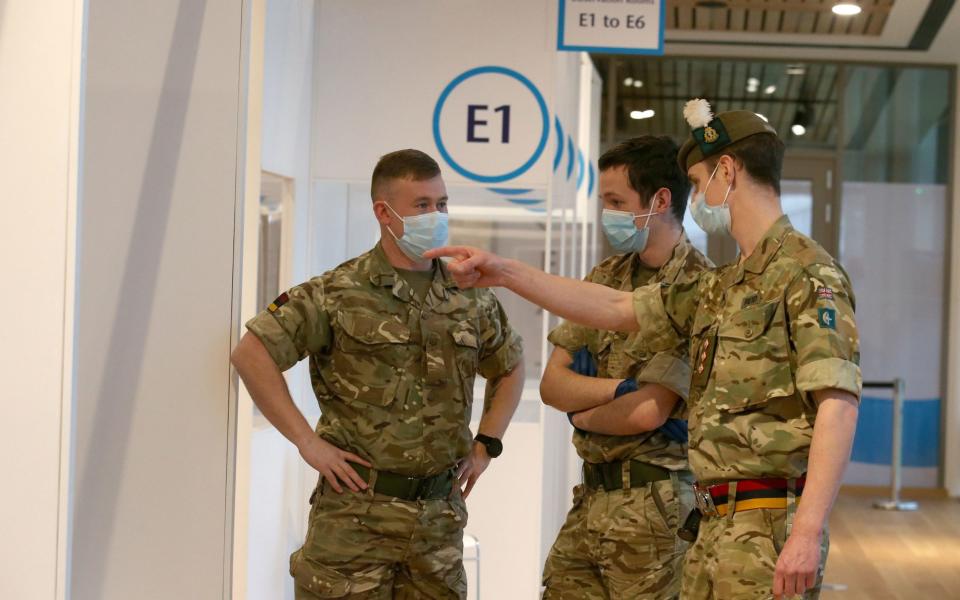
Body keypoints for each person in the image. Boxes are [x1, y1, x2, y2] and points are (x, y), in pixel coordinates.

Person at [426, 102, 860, 600]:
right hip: (712, 521)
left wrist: (806, 531)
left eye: (696, 184)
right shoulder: (722, 287)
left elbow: (837, 406)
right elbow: (613, 306)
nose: (695, 198)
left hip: (768, 524)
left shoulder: (807, 272)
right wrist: (502, 271)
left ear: (727, 170)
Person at [231, 149, 525, 599]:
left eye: (441, 203)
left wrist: (487, 443)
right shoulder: (337, 292)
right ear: (383, 213)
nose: (436, 215)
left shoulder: (471, 296)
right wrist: (308, 443)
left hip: (437, 520)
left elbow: (510, 365)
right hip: (355, 518)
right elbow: (252, 354)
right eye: (422, 205)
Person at [539, 136, 712, 599]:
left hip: (656, 509)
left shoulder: (698, 288)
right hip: (592, 498)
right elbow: (552, 385)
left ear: (659, 201)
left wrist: (583, 410)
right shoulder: (605, 278)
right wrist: (622, 387)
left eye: (617, 202)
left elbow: (648, 413)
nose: (607, 214)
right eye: (604, 202)